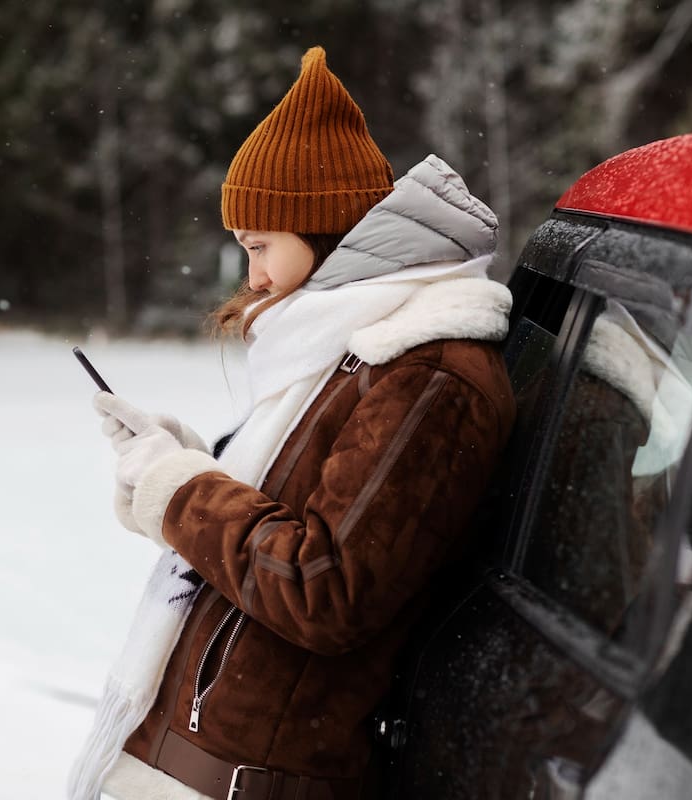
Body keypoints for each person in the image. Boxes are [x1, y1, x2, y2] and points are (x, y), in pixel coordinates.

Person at [68, 47, 516, 800]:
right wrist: (181, 465)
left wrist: (180, 492)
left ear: (324, 227)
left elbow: (321, 585)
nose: (253, 278)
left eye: (260, 246)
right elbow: (292, 516)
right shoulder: (351, 350)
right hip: (202, 765)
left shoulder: (423, 370)